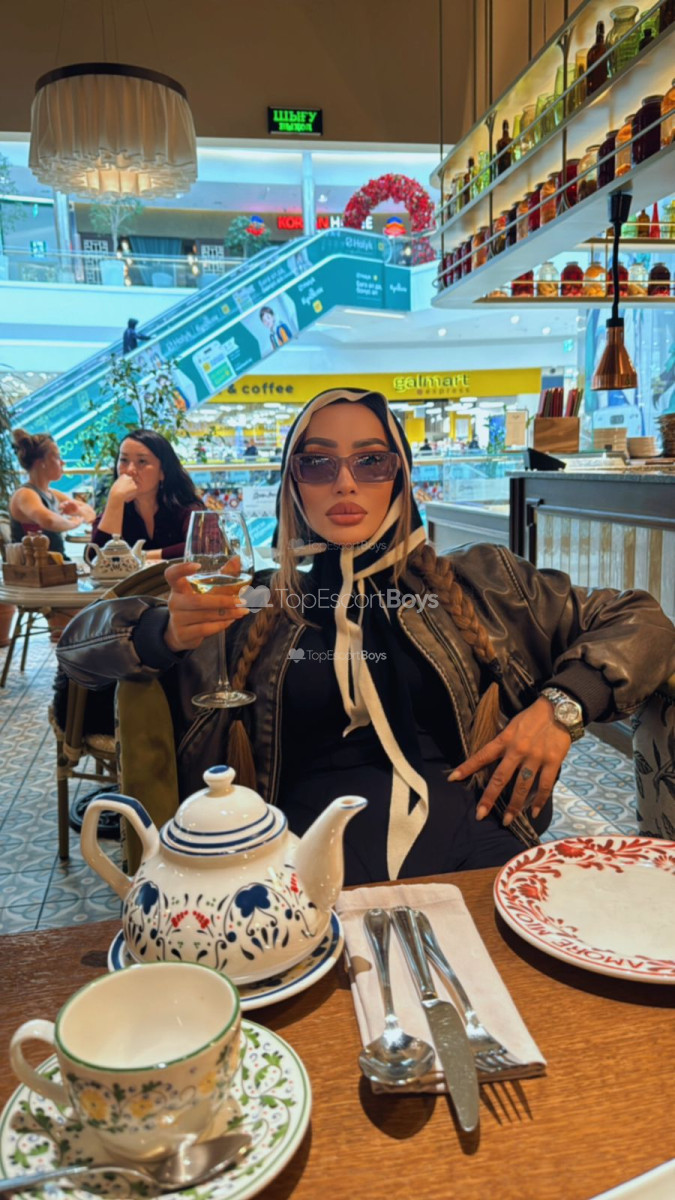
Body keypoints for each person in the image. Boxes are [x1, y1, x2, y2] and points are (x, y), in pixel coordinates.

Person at [58, 389, 675, 886]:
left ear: (400, 477)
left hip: (480, 844)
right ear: (293, 485)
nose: (345, 483)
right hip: (300, 865)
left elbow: (644, 622)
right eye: (318, 462)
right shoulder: (246, 604)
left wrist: (561, 708)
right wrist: (162, 632)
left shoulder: (485, 581)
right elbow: (77, 655)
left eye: (371, 460)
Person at [91, 429, 202, 562]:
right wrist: (115, 499)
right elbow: (96, 559)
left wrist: (138, 556)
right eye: (124, 460)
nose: (130, 470)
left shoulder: (186, 507)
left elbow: (203, 546)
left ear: (163, 471)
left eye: (142, 461)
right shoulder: (117, 507)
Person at [9, 430, 96, 556]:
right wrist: (74, 523)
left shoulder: (52, 494)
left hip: (55, 564)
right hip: (35, 567)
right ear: (41, 462)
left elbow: (90, 513)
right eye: (57, 457)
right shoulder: (25, 494)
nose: (63, 462)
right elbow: (48, 521)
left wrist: (77, 510)